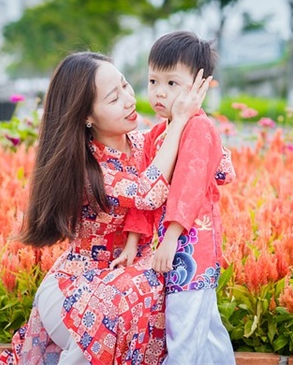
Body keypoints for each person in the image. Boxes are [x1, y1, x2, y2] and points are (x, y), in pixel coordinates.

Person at [0, 51, 212, 365]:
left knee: (158, 292)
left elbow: (209, 167)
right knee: (129, 294)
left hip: (124, 282)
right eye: (113, 98)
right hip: (75, 290)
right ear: (86, 116)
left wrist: (194, 128)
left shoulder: (142, 142)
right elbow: (146, 194)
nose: (129, 99)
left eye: (126, 85)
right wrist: (178, 124)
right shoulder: (85, 166)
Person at [112, 31, 237, 364]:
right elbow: (146, 192)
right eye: (153, 81)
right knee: (203, 330)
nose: (158, 93)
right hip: (169, 247)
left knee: (183, 330)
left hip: (193, 248)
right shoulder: (156, 134)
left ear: (200, 86)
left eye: (172, 83)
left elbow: (189, 186)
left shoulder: (200, 128)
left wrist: (170, 238)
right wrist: (131, 243)